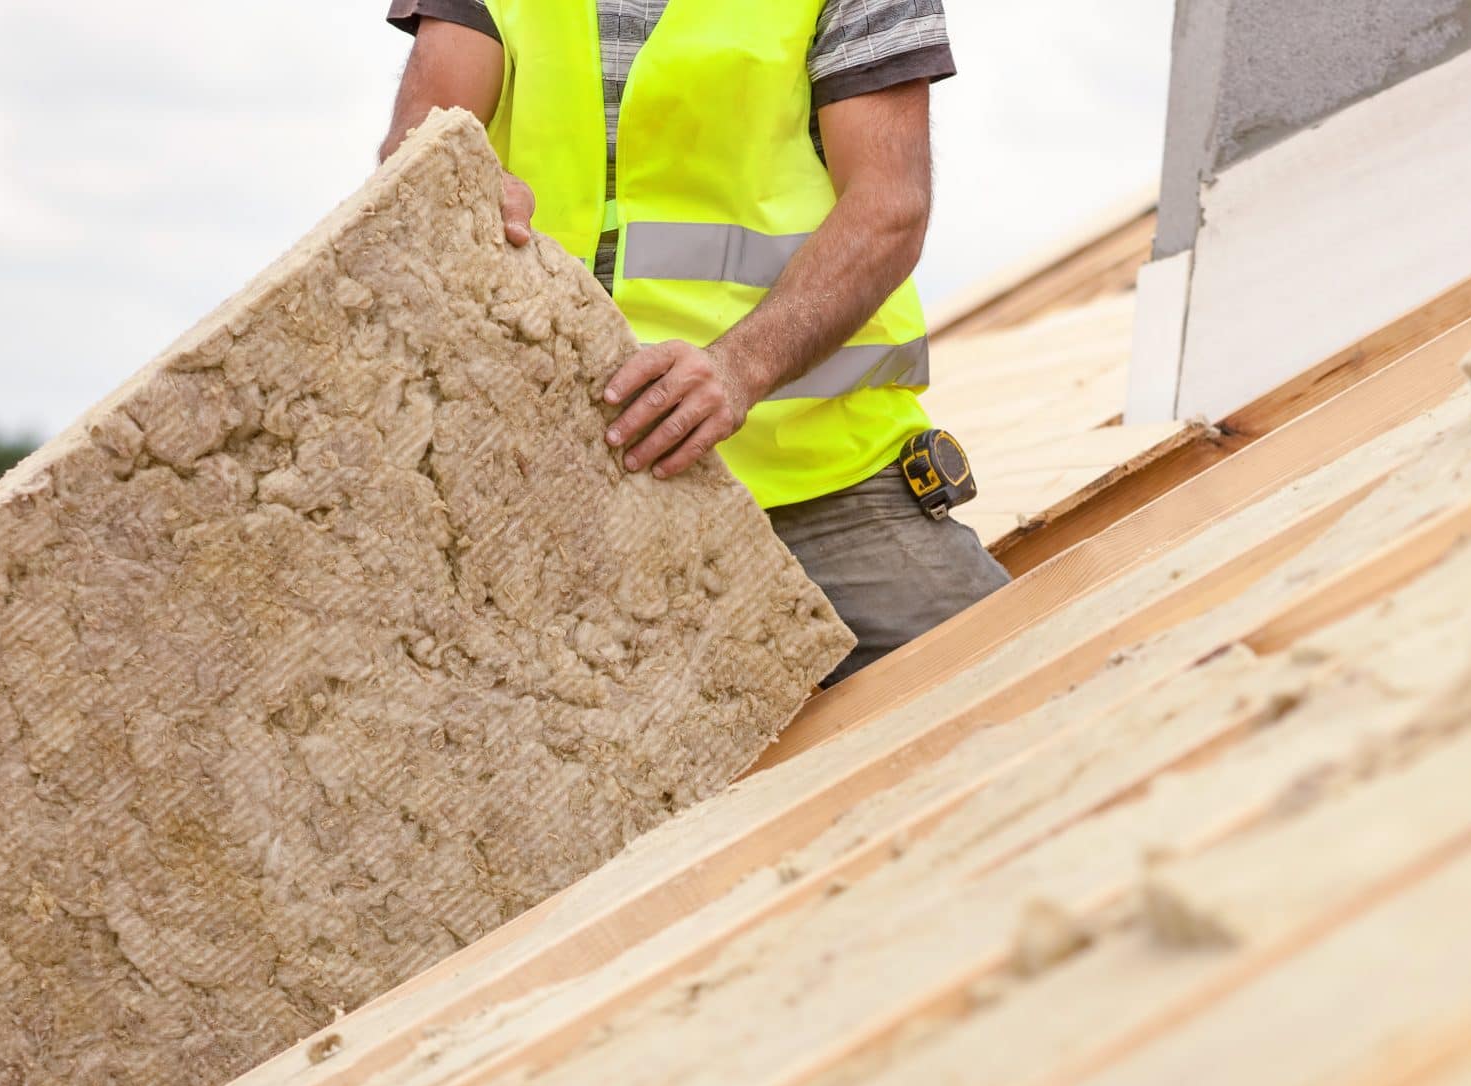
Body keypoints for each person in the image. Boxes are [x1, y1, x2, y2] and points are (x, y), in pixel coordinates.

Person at [380, 1, 1009, 685]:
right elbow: (424, 140)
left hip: (822, 488)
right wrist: (457, 181)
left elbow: (888, 205)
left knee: (1012, 698)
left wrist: (739, 369)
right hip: (548, 491)